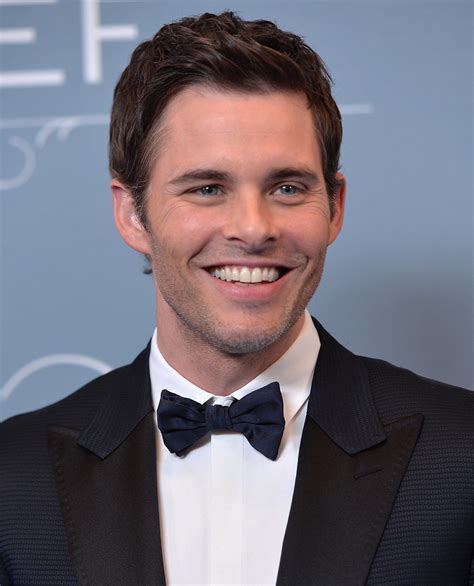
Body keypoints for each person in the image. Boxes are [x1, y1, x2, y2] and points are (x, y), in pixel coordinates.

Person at [0, 11, 472, 586]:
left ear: (335, 207)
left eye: (288, 187)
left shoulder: (461, 456)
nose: (253, 228)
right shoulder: (15, 478)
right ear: (132, 214)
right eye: (207, 188)